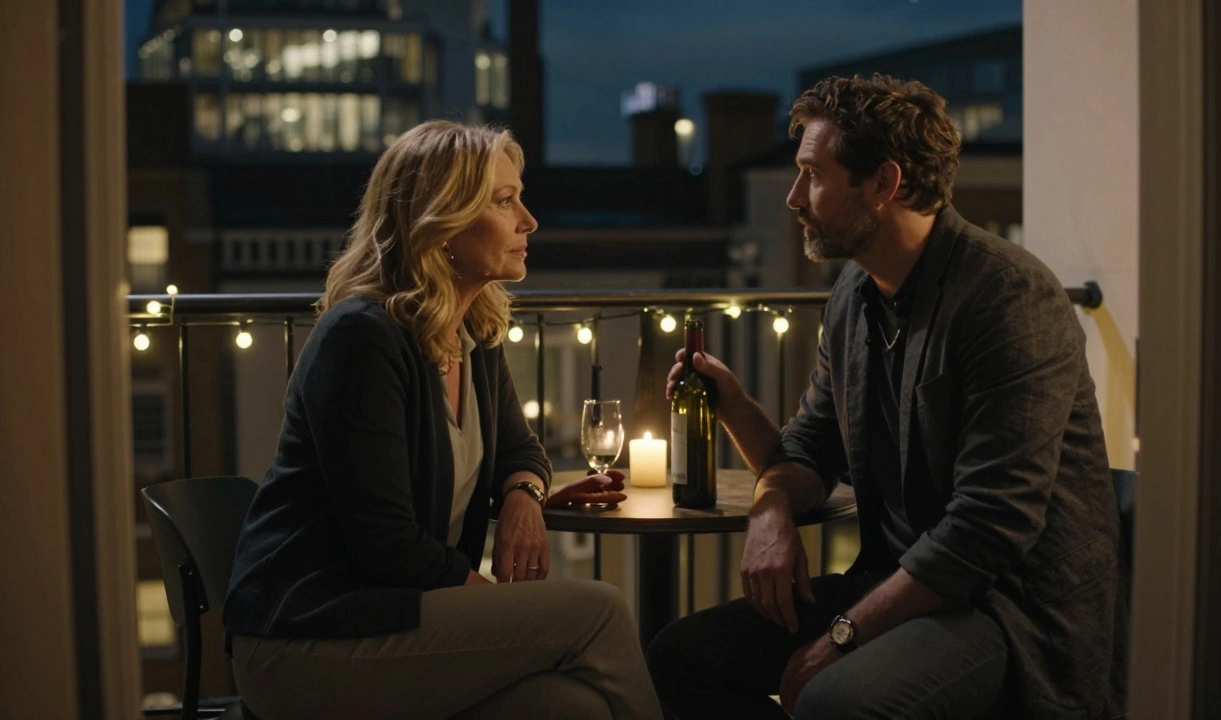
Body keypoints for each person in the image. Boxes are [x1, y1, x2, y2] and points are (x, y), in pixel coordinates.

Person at [646, 75, 1127, 720]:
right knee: (680, 657)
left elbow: (989, 527)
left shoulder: (1009, 298)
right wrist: (769, 506)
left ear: (884, 183)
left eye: (813, 175)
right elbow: (811, 449)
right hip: (899, 583)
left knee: (835, 699)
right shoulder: (855, 294)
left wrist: (840, 640)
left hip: (1007, 609)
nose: (794, 197)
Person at [222, 120, 663, 720]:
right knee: (599, 611)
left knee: (571, 707)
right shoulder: (361, 337)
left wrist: (524, 497)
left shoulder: (472, 331)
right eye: (504, 202)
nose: (529, 221)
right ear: (442, 220)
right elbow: (386, 543)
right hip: (307, 639)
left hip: (394, 617)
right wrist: (503, 613)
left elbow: (521, 450)